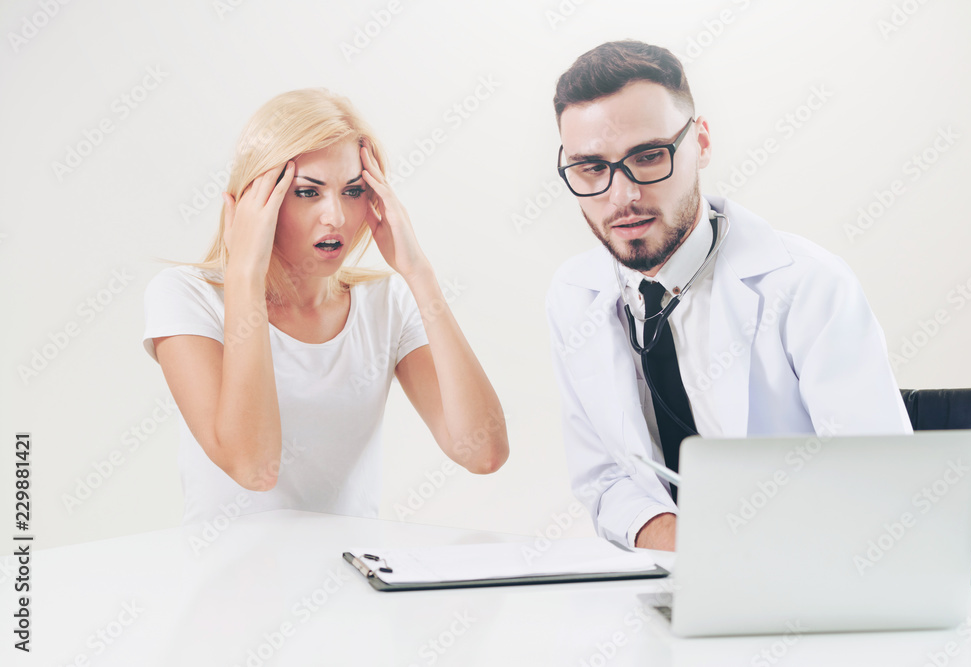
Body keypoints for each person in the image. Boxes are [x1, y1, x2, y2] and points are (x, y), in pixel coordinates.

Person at [546, 41, 911, 551]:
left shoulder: (808, 286)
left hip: (812, 576)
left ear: (702, 143)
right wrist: (696, 551)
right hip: (663, 577)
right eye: (591, 168)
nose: (622, 196)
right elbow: (604, 480)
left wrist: (744, 556)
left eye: (649, 157)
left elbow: (881, 483)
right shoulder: (573, 296)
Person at [143, 88, 508, 525]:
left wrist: (419, 274)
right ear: (256, 203)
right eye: (307, 193)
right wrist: (244, 276)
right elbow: (253, 469)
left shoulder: (387, 303)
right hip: (229, 584)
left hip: (352, 578)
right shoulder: (186, 295)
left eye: (353, 191)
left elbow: (483, 453)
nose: (335, 216)